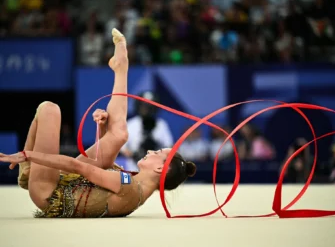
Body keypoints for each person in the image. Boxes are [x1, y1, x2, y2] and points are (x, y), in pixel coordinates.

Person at [0, 28, 196, 218]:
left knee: (50, 109)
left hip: (48, 192)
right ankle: (121, 68)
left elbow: (80, 168)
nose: (151, 151)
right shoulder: (135, 185)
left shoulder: (129, 186)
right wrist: (103, 128)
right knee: (118, 135)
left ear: (160, 169)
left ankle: (28, 170)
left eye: (157, 153)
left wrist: (28, 155)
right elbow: (104, 170)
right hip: (67, 182)